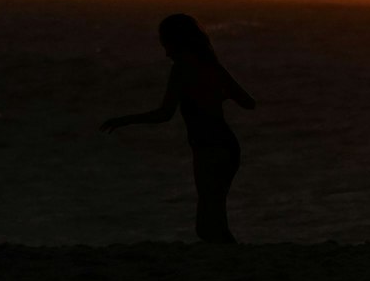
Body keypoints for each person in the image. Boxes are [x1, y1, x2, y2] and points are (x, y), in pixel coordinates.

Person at [100, 13, 257, 243]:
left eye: (167, 46)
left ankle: (234, 262)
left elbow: (164, 114)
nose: (166, 53)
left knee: (208, 224)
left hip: (209, 149)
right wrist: (218, 95)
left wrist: (124, 120)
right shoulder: (213, 66)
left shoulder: (181, 70)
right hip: (226, 147)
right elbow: (247, 102)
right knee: (213, 219)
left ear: (179, 43)